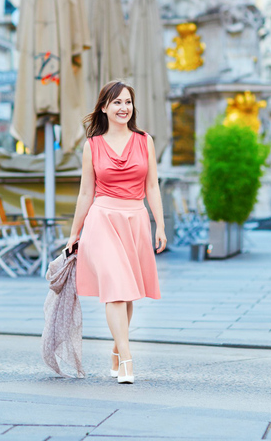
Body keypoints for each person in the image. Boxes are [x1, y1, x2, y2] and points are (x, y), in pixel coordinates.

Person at [65, 80, 167, 384]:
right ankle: (127, 359)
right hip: (102, 219)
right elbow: (86, 193)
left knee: (127, 292)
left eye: (128, 102)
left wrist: (159, 223)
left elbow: (152, 186)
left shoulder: (144, 140)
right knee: (115, 286)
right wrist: (74, 233)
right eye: (117, 103)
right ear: (104, 108)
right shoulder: (92, 145)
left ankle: (115, 349)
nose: (124, 108)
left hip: (135, 218)